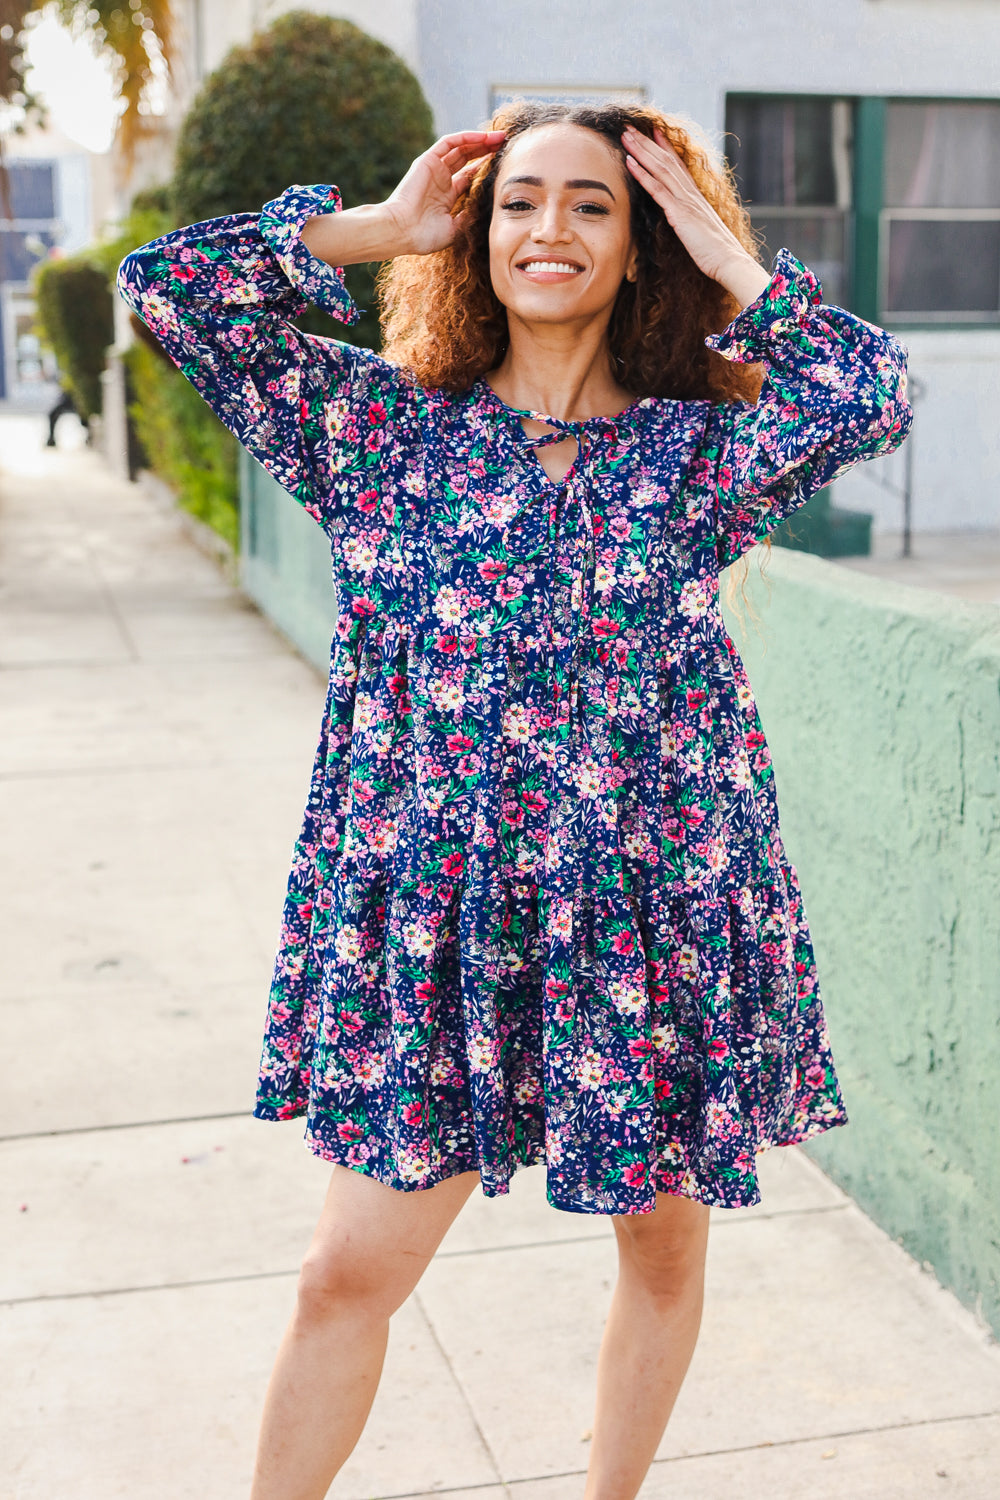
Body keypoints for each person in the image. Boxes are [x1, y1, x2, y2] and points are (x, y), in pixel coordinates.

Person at [117, 100, 912, 1500]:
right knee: (341, 1275)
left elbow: (874, 392)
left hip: (649, 916)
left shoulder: (697, 455)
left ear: (640, 238)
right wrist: (380, 226)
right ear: (477, 233)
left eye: (595, 204)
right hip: (436, 923)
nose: (551, 228)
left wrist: (736, 263)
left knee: (661, 1250)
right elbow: (166, 291)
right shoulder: (375, 430)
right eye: (520, 201)